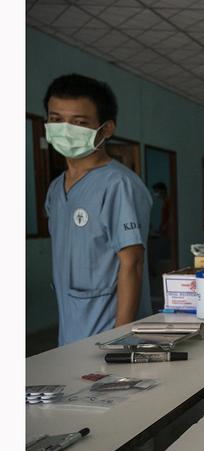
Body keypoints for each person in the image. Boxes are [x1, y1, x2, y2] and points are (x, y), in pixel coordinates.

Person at [43, 74, 152, 346]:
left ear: (105, 129)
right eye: (56, 119)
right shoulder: (57, 189)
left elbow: (133, 264)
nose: (65, 129)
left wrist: (120, 341)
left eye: (79, 123)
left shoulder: (118, 184)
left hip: (109, 336)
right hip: (70, 335)